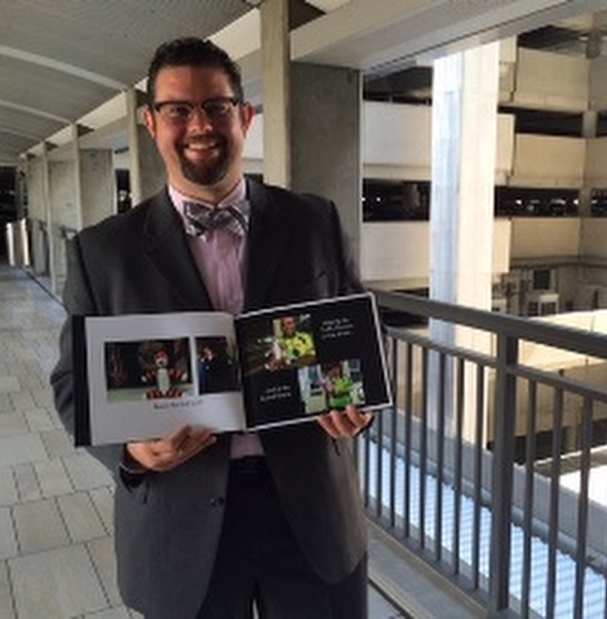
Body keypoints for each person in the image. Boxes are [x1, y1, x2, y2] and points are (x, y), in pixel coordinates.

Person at [50, 37, 372, 619]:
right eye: (178, 109)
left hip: (311, 514)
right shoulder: (104, 251)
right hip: (181, 525)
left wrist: (362, 404)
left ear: (245, 116)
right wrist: (132, 452)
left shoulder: (313, 220)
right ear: (151, 124)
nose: (200, 125)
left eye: (217, 107)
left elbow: (358, 337)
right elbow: (73, 386)